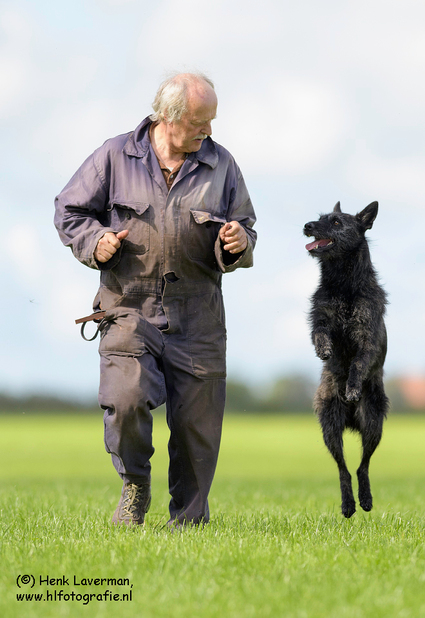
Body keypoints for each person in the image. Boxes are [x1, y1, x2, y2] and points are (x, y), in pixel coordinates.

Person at [54, 72, 256, 527]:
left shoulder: (222, 165)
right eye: (200, 122)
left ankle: (189, 523)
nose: (209, 131)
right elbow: (69, 210)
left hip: (199, 313)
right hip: (128, 307)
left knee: (195, 433)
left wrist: (239, 240)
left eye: (212, 122)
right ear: (168, 117)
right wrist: (95, 241)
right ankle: (134, 487)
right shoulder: (114, 155)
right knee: (125, 399)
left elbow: (246, 226)